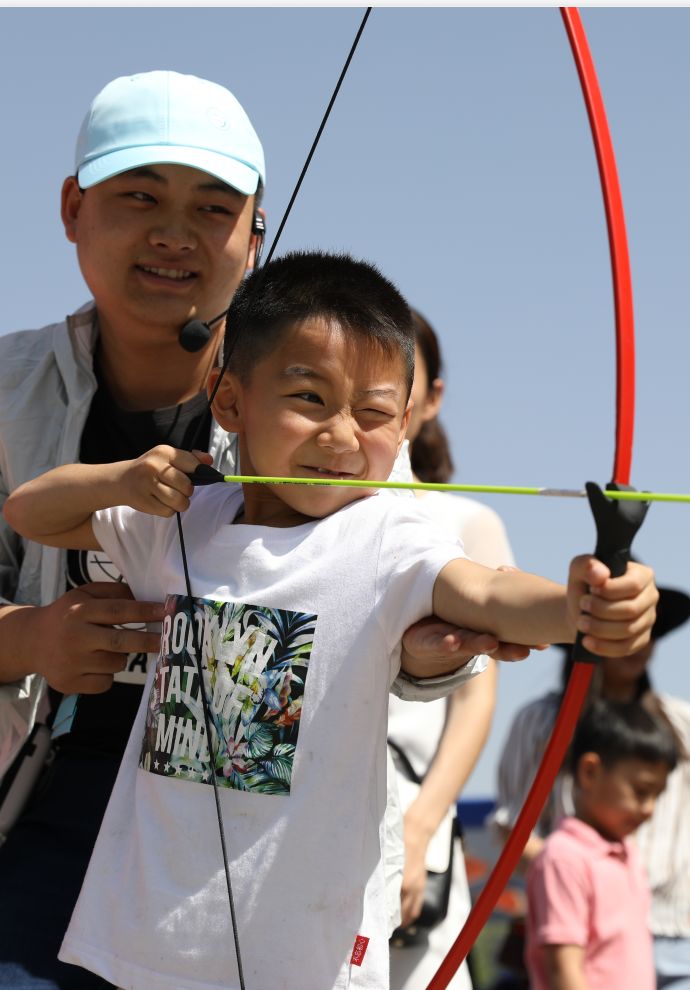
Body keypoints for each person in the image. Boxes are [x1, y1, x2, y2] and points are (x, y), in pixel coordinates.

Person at [4, 249, 659, 990]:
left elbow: (487, 592)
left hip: (305, 950)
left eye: (375, 413)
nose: (342, 437)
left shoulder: (391, 536)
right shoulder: (189, 517)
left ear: (407, 423)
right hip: (146, 931)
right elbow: (30, 510)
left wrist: (584, 604)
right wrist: (124, 477)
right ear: (228, 402)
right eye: (310, 398)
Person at [0, 70, 505, 990]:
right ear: (73, 208)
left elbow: (425, 599)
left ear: (257, 232)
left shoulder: (335, 406)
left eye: (213, 207)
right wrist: (31, 636)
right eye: (138, 196)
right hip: (55, 793)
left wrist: (440, 657)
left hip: (267, 823)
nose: (173, 233)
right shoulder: (7, 388)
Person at [388, 310, 515, 990]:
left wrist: (419, 828)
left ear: (429, 398)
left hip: (408, 812)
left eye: (390, 378)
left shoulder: (464, 521)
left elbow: (476, 694)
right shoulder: (275, 514)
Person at [491, 585, 690, 989]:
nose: (639, 643)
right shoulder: (541, 722)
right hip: (580, 930)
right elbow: (512, 826)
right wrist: (577, 876)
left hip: (675, 928)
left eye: (645, 629)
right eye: (622, 630)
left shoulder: (681, 724)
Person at [525, 698, 677, 990]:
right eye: (641, 791)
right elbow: (563, 970)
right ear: (590, 772)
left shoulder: (626, 853)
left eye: (657, 795)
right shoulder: (563, 859)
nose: (649, 808)